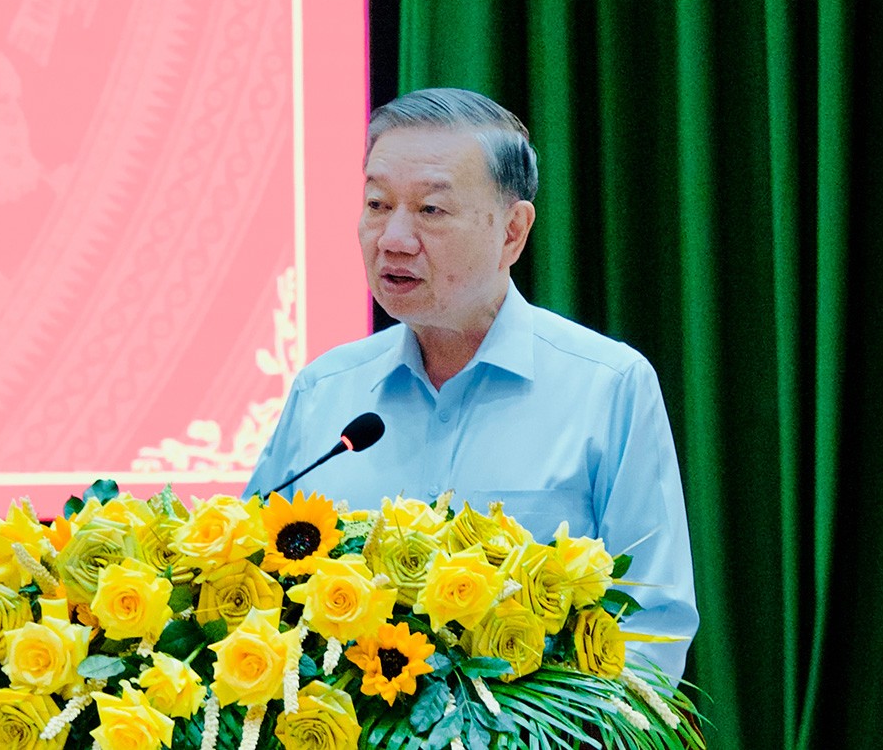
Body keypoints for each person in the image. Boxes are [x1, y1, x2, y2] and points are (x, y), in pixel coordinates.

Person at [244, 88, 698, 680]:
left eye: (431, 210)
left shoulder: (607, 388)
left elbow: (651, 625)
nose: (393, 238)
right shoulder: (325, 392)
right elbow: (249, 589)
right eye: (377, 204)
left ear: (513, 231)